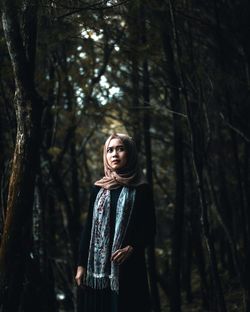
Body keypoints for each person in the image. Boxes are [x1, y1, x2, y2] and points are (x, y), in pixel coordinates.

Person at [75, 133, 156, 312]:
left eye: (120, 149)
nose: (114, 154)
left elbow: (150, 228)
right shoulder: (98, 189)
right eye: (109, 150)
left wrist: (132, 247)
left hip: (129, 267)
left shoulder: (141, 189)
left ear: (130, 153)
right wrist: (81, 265)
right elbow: (88, 228)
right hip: (98, 270)